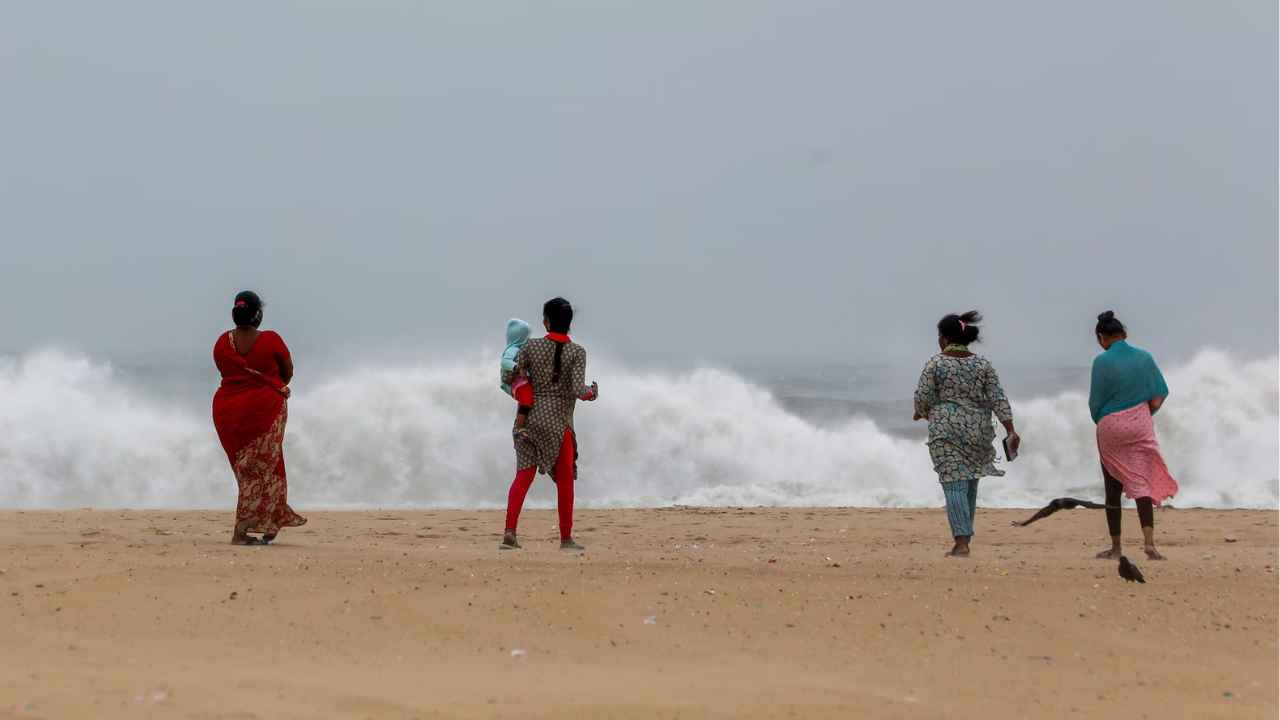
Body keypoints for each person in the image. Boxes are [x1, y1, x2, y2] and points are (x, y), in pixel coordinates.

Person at [913, 311, 1019, 557]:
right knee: (970, 485)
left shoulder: (935, 363)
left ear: (945, 338)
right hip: (978, 433)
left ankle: (962, 543)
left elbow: (922, 397)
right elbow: (998, 398)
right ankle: (964, 537)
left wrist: (921, 412)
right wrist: (1011, 429)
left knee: (953, 486)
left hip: (945, 432)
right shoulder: (983, 365)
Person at [500, 298, 598, 551]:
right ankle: (566, 538)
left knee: (523, 476)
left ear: (546, 322)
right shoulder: (578, 352)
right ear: (570, 323)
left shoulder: (531, 347)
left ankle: (510, 533)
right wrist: (592, 392)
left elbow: (515, 375)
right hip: (559, 422)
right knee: (565, 481)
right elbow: (578, 390)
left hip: (530, 418)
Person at [211, 291, 306, 545]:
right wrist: (270, 386)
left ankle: (269, 524)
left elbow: (226, 371)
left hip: (227, 413)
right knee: (265, 468)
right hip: (265, 410)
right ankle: (242, 532)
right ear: (258, 314)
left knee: (248, 471)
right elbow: (288, 372)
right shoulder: (272, 340)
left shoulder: (222, 342)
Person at [1088, 310, 1177, 561]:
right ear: (1124, 334)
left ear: (1101, 338)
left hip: (1111, 427)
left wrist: (1103, 419)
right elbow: (1161, 392)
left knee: (1112, 487)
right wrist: (1146, 412)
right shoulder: (1145, 357)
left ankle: (1116, 548)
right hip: (1140, 423)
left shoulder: (1100, 362)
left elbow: (1095, 403)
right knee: (1142, 484)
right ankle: (1150, 545)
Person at [500, 318, 534, 440]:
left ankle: (522, 423)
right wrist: (516, 368)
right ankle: (519, 428)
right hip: (517, 383)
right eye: (526, 337)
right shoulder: (512, 350)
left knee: (526, 401)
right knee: (526, 399)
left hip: (521, 382)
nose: (528, 340)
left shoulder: (522, 350)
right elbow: (504, 362)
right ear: (519, 337)